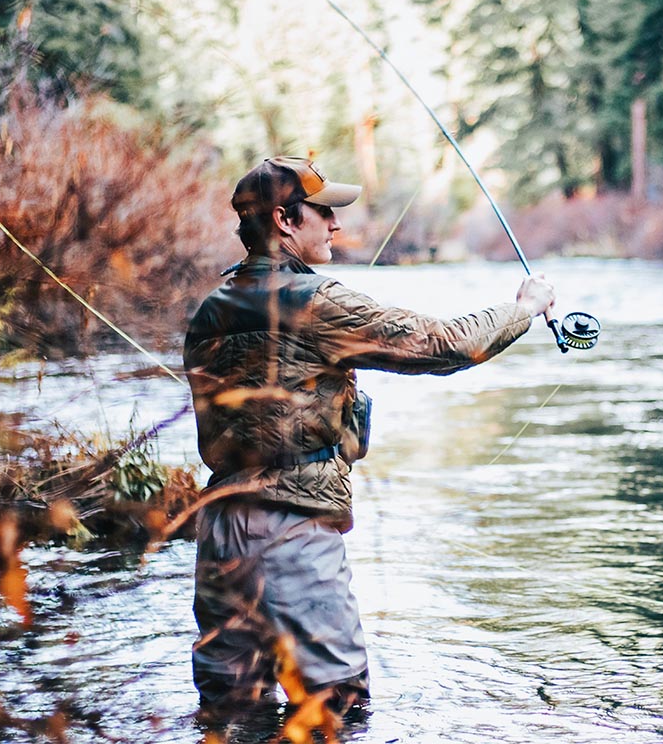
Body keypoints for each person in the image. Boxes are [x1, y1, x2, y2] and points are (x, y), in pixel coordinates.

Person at [183, 156, 555, 718]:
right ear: (285, 220)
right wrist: (522, 308)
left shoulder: (210, 311)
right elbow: (442, 345)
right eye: (324, 212)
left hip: (219, 534)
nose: (334, 224)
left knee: (231, 717)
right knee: (336, 712)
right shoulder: (316, 302)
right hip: (291, 530)